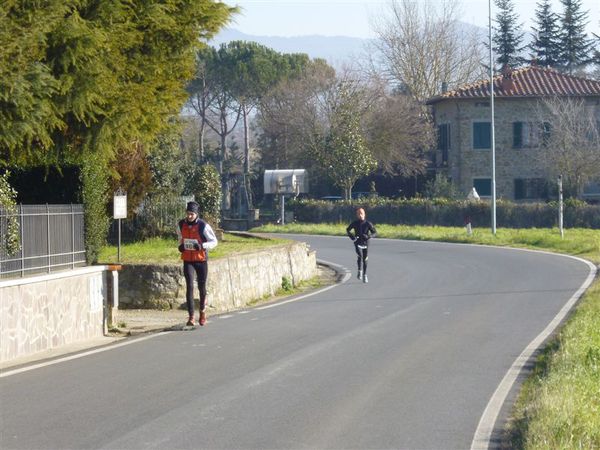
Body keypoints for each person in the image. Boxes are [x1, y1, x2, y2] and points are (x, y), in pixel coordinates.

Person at [177, 201, 218, 326]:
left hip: (201, 260)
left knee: (201, 287)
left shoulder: (203, 225)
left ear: (196, 214)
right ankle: (191, 317)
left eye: (192, 214)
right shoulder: (180, 224)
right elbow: (180, 238)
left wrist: (201, 245)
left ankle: (202, 312)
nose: (189, 216)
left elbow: (214, 241)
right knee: (189, 286)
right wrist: (181, 247)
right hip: (188, 260)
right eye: (188, 214)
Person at [346, 207, 377, 283]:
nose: (360, 215)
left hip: (366, 243)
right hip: (357, 242)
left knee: (365, 259)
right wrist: (352, 237)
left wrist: (369, 236)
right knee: (360, 256)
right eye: (359, 214)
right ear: (357, 215)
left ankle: (365, 275)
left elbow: (375, 233)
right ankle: (360, 270)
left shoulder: (368, 223)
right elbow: (348, 230)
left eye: (361, 213)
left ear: (364, 214)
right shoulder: (355, 223)